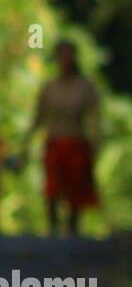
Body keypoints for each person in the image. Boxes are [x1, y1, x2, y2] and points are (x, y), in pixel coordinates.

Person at [24, 40, 100, 236]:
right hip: (54, 141)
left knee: (76, 187)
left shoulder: (84, 86)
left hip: (76, 141)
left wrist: (96, 142)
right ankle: (52, 229)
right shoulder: (49, 87)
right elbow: (39, 115)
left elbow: (93, 117)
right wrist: (27, 140)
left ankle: (73, 230)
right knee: (52, 187)